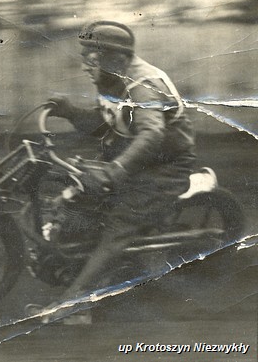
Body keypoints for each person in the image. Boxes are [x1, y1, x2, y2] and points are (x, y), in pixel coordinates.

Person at [27, 20, 197, 322]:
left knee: (118, 228)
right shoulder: (111, 79)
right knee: (77, 194)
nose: (85, 66)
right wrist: (69, 112)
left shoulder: (143, 84)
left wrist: (115, 170)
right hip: (132, 157)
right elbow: (105, 123)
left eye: (91, 59)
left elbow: (151, 135)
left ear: (114, 59)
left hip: (164, 166)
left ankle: (75, 306)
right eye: (84, 58)